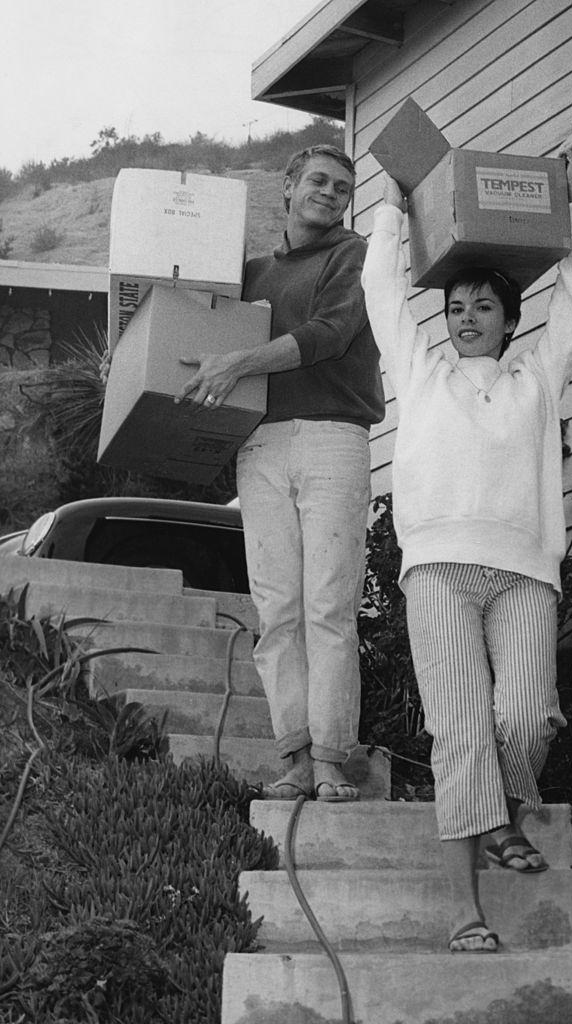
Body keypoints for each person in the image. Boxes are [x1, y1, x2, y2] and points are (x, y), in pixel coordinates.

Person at [361, 133, 572, 950]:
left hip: (524, 572)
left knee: (527, 718)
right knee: (460, 732)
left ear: (509, 319)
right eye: (456, 308)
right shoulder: (421, 374)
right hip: (437, 572)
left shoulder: (537, 380)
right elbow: (381, 291)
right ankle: (465, 909)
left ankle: (505, 813)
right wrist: (393, 204)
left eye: (483, 308)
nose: (466, 319)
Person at [177, 144, 385, 802]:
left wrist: (240, 362)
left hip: (332, 437)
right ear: (288, 186)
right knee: (277, 609)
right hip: (260, 445)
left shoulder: (353, 254)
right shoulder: (249, 273)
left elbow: (332, 331)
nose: (330, 193)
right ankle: (293, 757)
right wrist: (136, 361)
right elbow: (192, 335)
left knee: (329, 605)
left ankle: (331, 759)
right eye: (318, 181)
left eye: (342, 187)